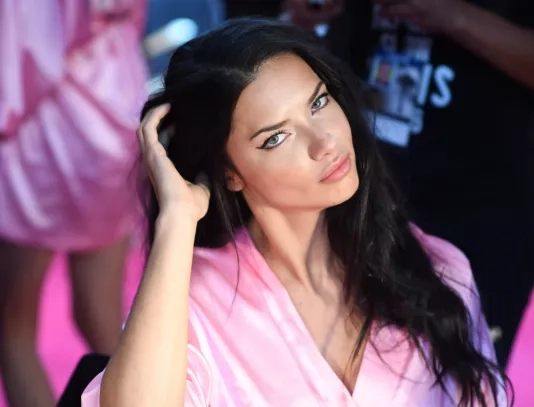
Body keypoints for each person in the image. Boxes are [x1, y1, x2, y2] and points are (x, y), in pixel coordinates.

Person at [81, 18, 510, 406]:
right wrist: (176, 218)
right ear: (230, 172)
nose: (324, 143)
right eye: (276, 137)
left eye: (318, 103)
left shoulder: (437, 269)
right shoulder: (194, 301)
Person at [284, 0, 534, 366]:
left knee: (457, 379)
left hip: (477, 213)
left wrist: (454, 15)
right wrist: (304, 19)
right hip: (351, 204)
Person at [0, 1, 147, 406]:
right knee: (103, 319)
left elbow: (29, 53)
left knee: (13, 330)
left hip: (42, 126)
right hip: (115, 105)